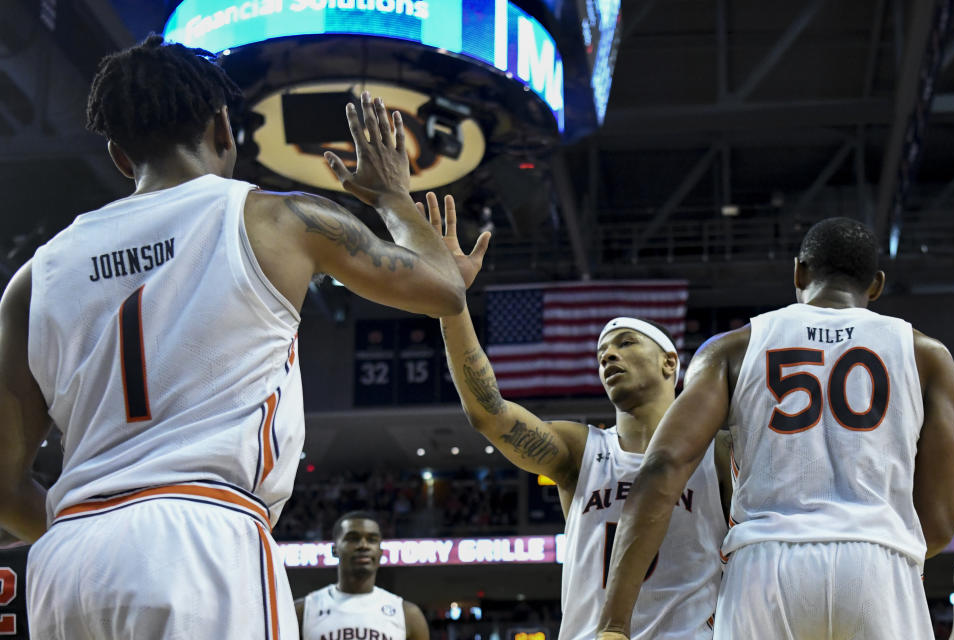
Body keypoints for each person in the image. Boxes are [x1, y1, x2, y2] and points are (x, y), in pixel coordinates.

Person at [0, 35, 465, 639]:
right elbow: (445, 289)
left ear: (118, 154)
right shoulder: (277, 217)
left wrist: (104, 530)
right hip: (204, 537)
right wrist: (392, 195)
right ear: (224, 126)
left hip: (67, 561)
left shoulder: (34, 277)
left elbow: (5, 486)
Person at [597, 217, 954, 640]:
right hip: (879, 562)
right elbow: (939, 523)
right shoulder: (927, 356)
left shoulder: (732, 348)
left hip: (765, 567)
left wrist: (614, 625)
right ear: (876, 285)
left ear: (799, 272)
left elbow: (662, 467)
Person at [424, 194, 731, 639]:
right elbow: (489, 413)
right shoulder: (582, 449)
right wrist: (451, 302)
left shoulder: (717, 450)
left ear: (670, 362)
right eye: (602, 352)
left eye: (625, 343)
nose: (608, 356)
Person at [296, 512, 428, 640]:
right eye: (353, 538)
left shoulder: (408, 615)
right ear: (335, 549)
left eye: (372, 540)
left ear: (380, 552)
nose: (363, 545)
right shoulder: (303, 611)